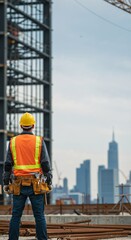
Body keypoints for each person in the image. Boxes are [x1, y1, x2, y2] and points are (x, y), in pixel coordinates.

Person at [3, 112, 52, 240]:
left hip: (18, 185)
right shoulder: (39, 141)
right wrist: (49, 179)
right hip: (36, 185)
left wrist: (6, 181)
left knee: (16, 216)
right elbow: (45, 163)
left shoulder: (13, 142)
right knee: (39, 216)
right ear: (33, 126)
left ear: (21, 125)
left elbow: (8, 164)